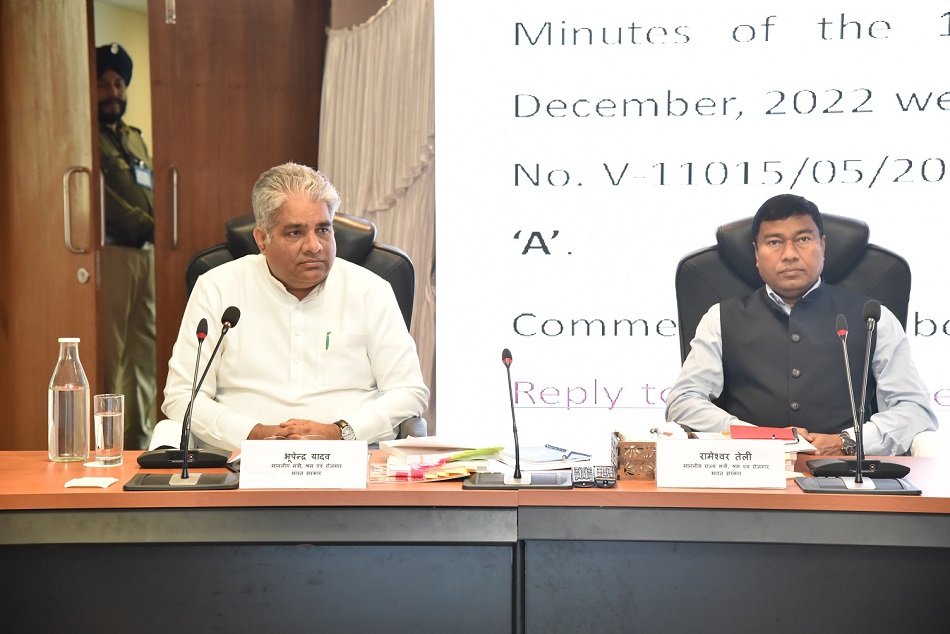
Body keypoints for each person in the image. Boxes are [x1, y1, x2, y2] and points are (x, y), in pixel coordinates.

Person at [162, 163, 429, 450]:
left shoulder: (371, 290)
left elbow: (409, 391)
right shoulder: (217, 287)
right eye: (295, 233)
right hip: (240, 460)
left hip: (351, 460)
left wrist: (340, 432)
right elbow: (182, 396)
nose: (314, 246)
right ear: (262, 240)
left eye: (323, 229)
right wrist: (255, 434)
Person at [665, 194, 937, 456]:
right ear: (756, 253)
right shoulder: (719, 318)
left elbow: (914, 409)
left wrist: (848, 442)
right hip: (748, 469)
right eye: (774, 242)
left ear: (822, 246)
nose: (790, 254)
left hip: (845, 470)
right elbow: (683, 401)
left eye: (803, 239)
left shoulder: (873, 317)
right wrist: (756, 438)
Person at [96, 43, 157, 450]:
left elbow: (148, 190)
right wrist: (149, 223)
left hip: (146, 255)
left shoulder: (134, 139)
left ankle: (137, 443)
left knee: (143, 357)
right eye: (103, 84)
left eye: (118, 83)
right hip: (111, 254)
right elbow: (102, 198)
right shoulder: (86, 136)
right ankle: (101, 444)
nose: (112, 92)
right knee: (108, 356)